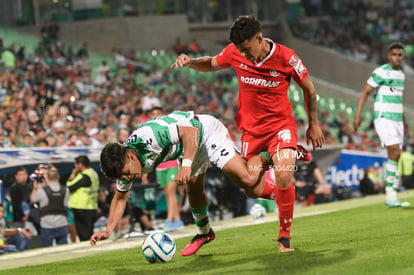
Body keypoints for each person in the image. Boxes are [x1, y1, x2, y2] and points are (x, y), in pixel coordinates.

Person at [171, 15, 325, 252]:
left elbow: (309, 90)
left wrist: (313, 124)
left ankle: (284, 237)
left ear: (259, 38)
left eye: (247, 49)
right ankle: (284, 189)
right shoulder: (235, 52)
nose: (245, 55)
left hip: (280, 127)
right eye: (241, 51)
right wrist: (191, 61)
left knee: (284, 174)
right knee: (251, 186)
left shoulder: (287, 57)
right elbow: (211, 63)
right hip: (252, 134)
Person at [90, 111, 270, 256]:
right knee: (193, 189)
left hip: (206, 132)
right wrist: (109, 229)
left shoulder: (150, 137)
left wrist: (186, 165)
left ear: (130, 156)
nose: (128, 178)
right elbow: (120, 198)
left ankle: (268, 151)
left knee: (249, 183)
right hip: (188, 146)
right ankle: (205, 233)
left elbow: (189, 131)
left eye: (128, 173)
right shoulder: (123, 165)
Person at [354, 42, 410, 208]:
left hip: (397, 119)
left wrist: (404, 121)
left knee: (396, 154)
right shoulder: (380, 72)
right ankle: (390, 195)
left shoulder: (401, 75)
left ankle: (391, 196)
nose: (397, 57)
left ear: (403, 57)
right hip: (384, 117)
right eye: (394, 54)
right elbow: (365, 92)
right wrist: (357, 116)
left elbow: (398, 100)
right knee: (394, 149)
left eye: (400, 55)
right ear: (388, 56)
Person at [149, 107, 184, 232]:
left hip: (172, 164)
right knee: (168, 194)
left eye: (158, 113)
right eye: (153, 114)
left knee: (171, 191)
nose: (156, 116)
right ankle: (177, 220)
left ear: (162, 115)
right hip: (160, 167)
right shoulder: (149, 129)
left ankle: (169, 220)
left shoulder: (169, 126)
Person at [30, 166, 69, 247]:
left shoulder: (42, 191)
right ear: (58, 177)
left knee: (46, 249)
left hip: (47, 224)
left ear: (47, 177)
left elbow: (33, 199)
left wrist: (35, 188)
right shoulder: (66, 190)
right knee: (63, 249)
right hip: (62, 222)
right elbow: (65, 204)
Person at [66, 155, 99, 241]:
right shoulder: (93, 173)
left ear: (80, 164)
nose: (76, 167)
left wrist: (73, 175)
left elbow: (69, 186)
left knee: (84, 235)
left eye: (76, 164)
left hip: (82, 208)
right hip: (92, 206)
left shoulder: (84, 175)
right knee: (89, 232)